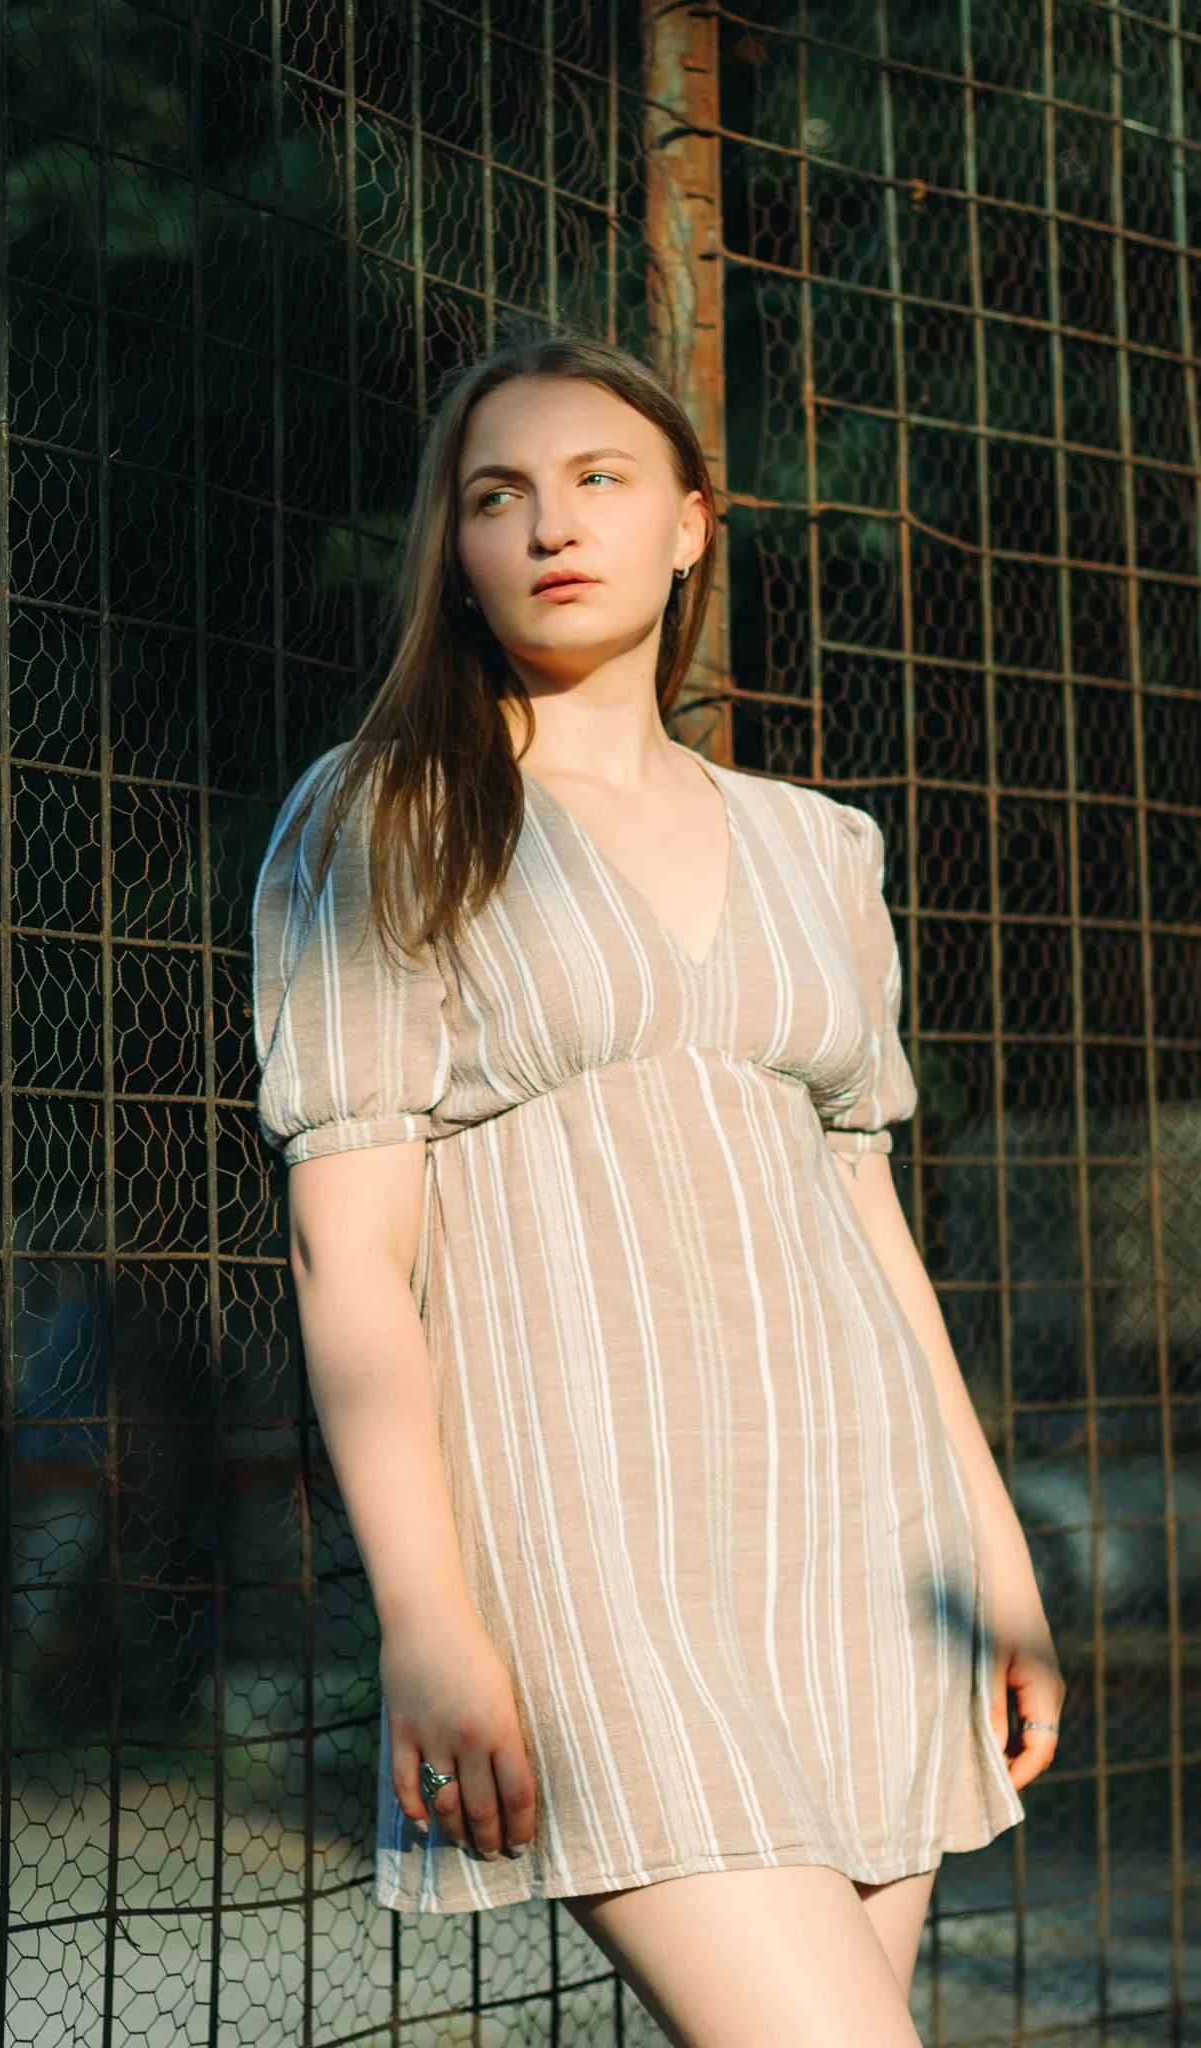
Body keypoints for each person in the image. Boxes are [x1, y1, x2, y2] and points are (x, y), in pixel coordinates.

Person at [250, 332, 1064, 2046]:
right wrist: (429, 1619)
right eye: (499, 495)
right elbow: (347, 1263)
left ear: (693, 521)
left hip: (863, 1534)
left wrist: (992, 1560)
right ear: (454, 551)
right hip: (595, 1552)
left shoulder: (818, 846)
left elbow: (867, 1219)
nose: (552, 524)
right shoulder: (384, 820)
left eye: (600, 480)